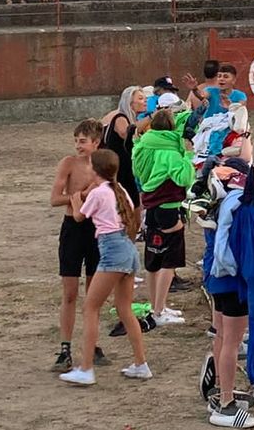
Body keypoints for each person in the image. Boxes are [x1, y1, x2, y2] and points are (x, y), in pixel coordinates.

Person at [59, 148, 153, 385]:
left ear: (96, 169)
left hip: (112, 251)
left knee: (90, 308)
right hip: (127, 250)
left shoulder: (99, 192)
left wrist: (75, 199)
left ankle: (86, 368)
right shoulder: (119, 189)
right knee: (124, 309)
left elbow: (79, 216)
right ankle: (141, 364)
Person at [50, 119, 106, 370]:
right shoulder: (69, 163)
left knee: (94, 294)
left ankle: (92, 344)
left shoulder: (103, 164)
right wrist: (82, 195)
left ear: (96, 142)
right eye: (76, 141)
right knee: (70, 292)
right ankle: (65, 348)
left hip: (96, 228)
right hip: (73, 229)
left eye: (82, 141)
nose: (78, 146)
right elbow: (54, 198)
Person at [132, 102, 194, 326]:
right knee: (169, 260)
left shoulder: (141, 146)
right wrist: (188, 156)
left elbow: (138, 173)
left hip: (150, 206)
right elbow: (183, 177)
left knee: (153, 259)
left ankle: (156, 305)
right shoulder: (169, 151)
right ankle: (159, 311)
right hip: (167, 205)